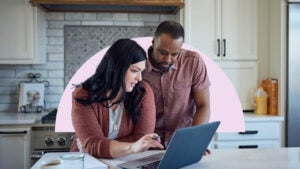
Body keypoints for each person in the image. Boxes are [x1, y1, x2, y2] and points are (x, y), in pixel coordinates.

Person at [70, 39, 164, 159]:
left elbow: (142, 141)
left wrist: (98, 147)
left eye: (141, 71)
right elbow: (93, 144)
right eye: (134, 71)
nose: (139, 78)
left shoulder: (143, 92)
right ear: (116, 67)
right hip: (86, 162)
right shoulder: (83, 95)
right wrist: (132, 146)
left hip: (126, 162)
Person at [143, 21, 211, 147]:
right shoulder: (138, 65)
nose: (168, 59)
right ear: (153, 42)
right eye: (163, 52)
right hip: (149, 144)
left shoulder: (193, 61)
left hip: (183, 142)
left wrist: (196, 141)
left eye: (174, 54)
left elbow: (203, 105)